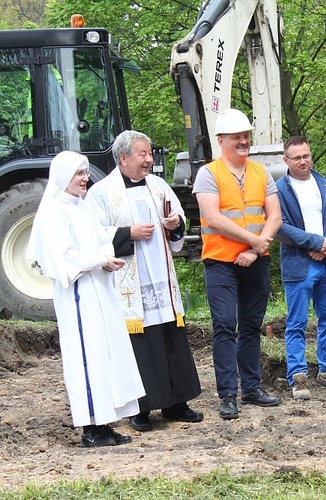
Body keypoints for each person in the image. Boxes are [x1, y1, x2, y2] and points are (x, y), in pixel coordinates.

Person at [27, 151, 145, 447]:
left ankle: (104, 423)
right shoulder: (55, 210)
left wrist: (107, 257)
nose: (85, 178)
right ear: (64, 177)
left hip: (100, 289)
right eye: (79, 174)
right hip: (79, 293)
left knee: (105, 354)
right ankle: (90, 428)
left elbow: (101, 237)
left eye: (85, 173)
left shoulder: (82, 206)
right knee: (87, 356)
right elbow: (63, 257)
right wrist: (99, 259)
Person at [87, 130, 203, 432]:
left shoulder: (158, 185)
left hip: (161, 275)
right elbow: (94, 236)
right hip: (131, 282)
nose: (149, 159)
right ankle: (140, 409)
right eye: (143, 154)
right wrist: (128, 234)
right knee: (140, 344)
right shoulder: (101, 192)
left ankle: (177, 402)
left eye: (150, 153)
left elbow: (177, 217)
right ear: (123, 158)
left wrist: (175, 224)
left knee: (170, 337)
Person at [193, 108, 282, 419]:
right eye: (237, 137)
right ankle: (227, 394)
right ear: (221, 141)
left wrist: (256, 250)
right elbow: (214, 218)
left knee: (250, 327)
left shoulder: (261, 173)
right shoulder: (208, 173)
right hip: (221, 262)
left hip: (256, 261)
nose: (243, 142)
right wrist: (253, 241)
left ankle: (252, 388)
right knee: (223, 326)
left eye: (246, 136)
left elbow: (275, 217)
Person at [276, 136, 326, 400]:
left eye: (306, 155)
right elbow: (279, 226)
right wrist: (315, 242)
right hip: (298, 264)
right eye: (296, 157)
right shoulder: (278, 190)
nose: (303, 161)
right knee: (297, 322)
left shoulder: (325, 185)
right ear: (286, 160)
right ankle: (297, 376)